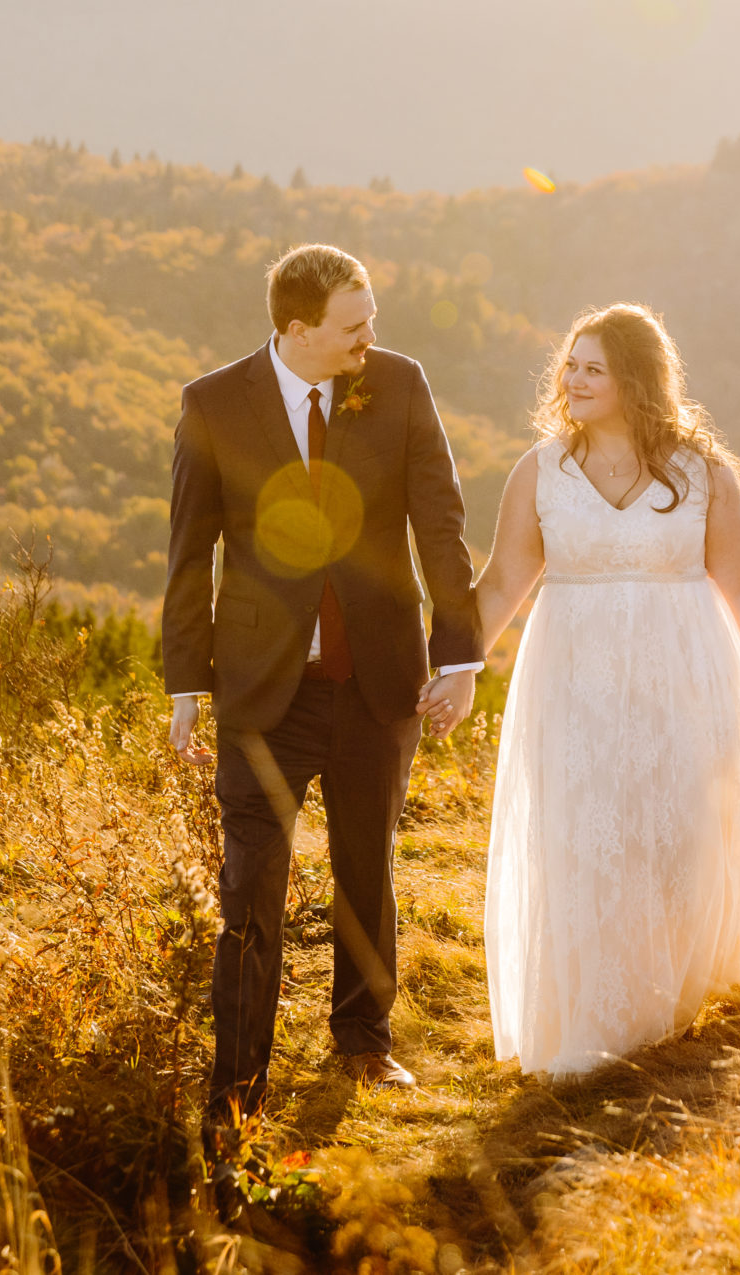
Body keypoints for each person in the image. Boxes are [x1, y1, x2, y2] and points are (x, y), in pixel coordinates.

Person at [163, 243, 483, 1146]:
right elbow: (189, 554)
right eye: (352, 325)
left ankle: (364, 1039)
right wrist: (187, 681)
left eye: (371, 318)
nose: (369, 337)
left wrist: (455, 656)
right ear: (297, 331)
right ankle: (238, 1083)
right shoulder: (213, 404)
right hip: (265, 689)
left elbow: (442, 524)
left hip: (379, 675)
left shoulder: (400, 383)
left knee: (366, 863)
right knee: (251, 885)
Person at [466, 302, 740, 1077]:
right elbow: (501, 582)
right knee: (590, 839)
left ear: (638, 378)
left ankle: (686, 1004)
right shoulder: (540, 470)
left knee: (683, 834)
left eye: (593, 367)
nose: (573, 379)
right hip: (574, 684)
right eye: (570, 364)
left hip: (684, 676)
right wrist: (453, 666)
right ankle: (602, 1019)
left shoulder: (703, 473)